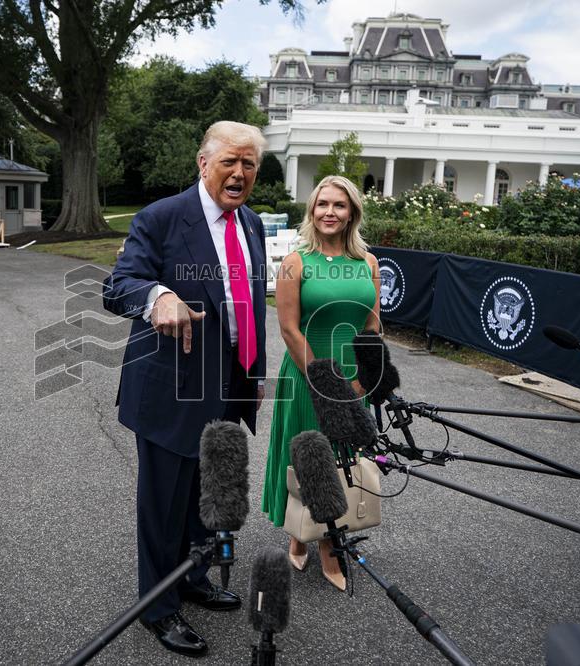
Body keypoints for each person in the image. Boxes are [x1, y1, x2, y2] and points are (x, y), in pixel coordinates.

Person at [102, 121, 268, 657]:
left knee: (203, 500)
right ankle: (158, 607)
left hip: (226, 387)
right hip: (171, 390)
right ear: (203, 163)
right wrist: (158, 297)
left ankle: (192, 579)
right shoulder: (162, 217)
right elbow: (118, 284)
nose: (240, 173)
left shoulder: (254, 224)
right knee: (164, 505)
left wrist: (253, 371)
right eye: (230, 162)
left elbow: (248, 305)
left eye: (249, 164)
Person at [261, 175, 381, 592]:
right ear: (312, 211)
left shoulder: (368, 263)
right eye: (322, 204)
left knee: (344, 463)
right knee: (309, 458)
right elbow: (289, 330)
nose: (330, 212)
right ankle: (304, 534)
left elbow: (373, 325)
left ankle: (330, 541)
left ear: (352, 213)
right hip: (309, 374)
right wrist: (324, 381)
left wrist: (366, 376)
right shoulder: (296, 262)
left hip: (354, 380)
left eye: (339, 205)